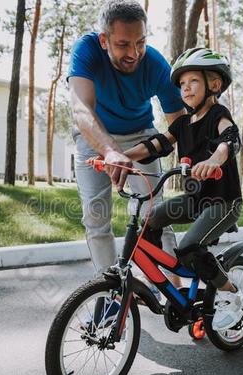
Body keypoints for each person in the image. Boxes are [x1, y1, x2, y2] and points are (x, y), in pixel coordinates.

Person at [123, 47, 243, 331]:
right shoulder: (182, 123)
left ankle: (231, 296)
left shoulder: (218, 115)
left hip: (223, 201)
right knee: (150, 220)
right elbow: (156, 145)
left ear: (214, 84)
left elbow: (231, 138)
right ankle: (166, 283)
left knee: (189, 247)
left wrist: (215, 158)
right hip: (195, 199)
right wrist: (121, 156)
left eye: (193, 81)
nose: (185, 88)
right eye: (181, 84)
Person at [67, 0, 186, 285]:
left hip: (140, 134)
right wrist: (109, 150)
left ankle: (175, 292)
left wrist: (183, 158)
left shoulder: (155, 64)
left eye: (140, 42)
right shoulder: (87, 50)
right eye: (123, 44)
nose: (134, 53)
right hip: (93, 135)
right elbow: (81, 110)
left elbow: (180, 122)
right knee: (96, 219)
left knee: (155, 217)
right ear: (105, 40)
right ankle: (110, 293)